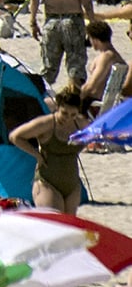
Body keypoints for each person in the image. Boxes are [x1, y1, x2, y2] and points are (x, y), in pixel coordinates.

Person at [11, 84, 93, 214]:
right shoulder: (47, 124)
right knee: (55, 220)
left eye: (73, 114)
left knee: (68, 224)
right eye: (64, 113)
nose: (68, 118)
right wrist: (37, 155)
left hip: (72, 183)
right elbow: (15, 136)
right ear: (57, 107)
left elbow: (98, 134)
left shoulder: (81, 124)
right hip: (47, 181)